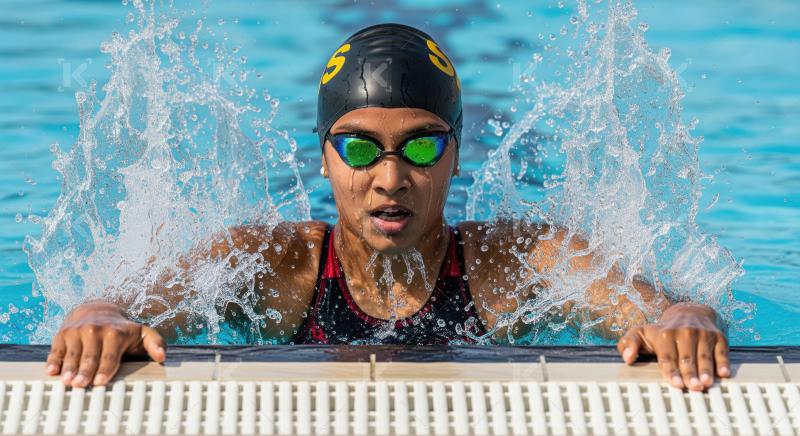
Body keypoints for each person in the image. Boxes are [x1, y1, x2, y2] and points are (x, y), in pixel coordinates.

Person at [46, 23, 730, 391]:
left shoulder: (512, 261)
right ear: (323, 157)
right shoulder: (275, 263)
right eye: (361, 149)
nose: (391, 178)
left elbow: (658, 307)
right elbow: (128, 305)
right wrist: (98, 317)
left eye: (422, 149)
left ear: (457, 155)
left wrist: (685, 317)